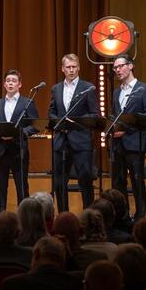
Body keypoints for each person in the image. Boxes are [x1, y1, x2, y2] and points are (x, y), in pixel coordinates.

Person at [48, 54, 97, 212]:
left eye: (74, 67)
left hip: (81, 141)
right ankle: (63, 216)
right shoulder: (56, 88)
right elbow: (52, 112)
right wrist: (59, 122)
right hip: (61, 141)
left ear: (79, 67)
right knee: (59, 182)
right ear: (63, 69)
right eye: (68, 67)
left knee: (85, 180)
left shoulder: (88, 87)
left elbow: (94, 114)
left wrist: (76, 121)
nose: (71, 70)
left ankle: (88, 216)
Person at [109, 55, 146, 219]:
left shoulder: (144, 89)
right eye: (115, 68)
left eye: (120, 66)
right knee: (118, 182)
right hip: (117, 144)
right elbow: (115, 116)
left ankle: (140, 215)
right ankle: (122, 216)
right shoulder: (116, 92)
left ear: (130, 66)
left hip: (135, 143)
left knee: (137, 181)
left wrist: (126, 129)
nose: (117, 70)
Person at [0, 70, 39, 215]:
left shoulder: (27, 102)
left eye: (14, 80)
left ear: (20, 84)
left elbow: (35, 125)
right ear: (4, 84)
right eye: (8, 80)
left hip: (19, 151)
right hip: (0, 151)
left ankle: (24, 219)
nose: (11, 83)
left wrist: (21, 132)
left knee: (22, 187)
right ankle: (0, 219)